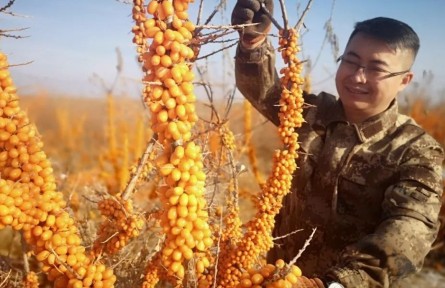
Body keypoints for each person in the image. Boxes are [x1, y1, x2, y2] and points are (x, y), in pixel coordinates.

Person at [231, 1, 444, 287]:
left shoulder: (415, 150)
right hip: (278, 276)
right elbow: (263, 89)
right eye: (351, 61)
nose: (358, 76)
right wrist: (252, 43)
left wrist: (337, 284)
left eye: (376, 69)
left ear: (404, 80)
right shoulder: (310, 113)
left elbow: (409, 229)